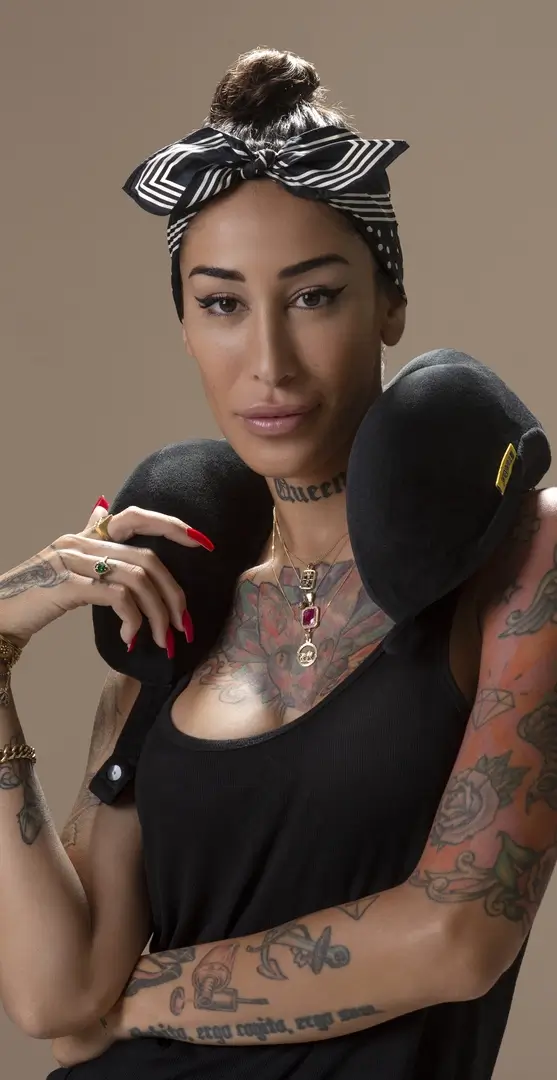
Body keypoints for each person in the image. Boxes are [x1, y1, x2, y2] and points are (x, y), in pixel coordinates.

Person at [0, 46, 555, 1080]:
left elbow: (457, 938)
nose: (268, 362)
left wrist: (140, 1002)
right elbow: (55, 994)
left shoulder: (521, 553)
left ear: (388, 304)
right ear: (183, 325)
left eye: (312, 297)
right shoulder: (181, 598)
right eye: (220, 304)